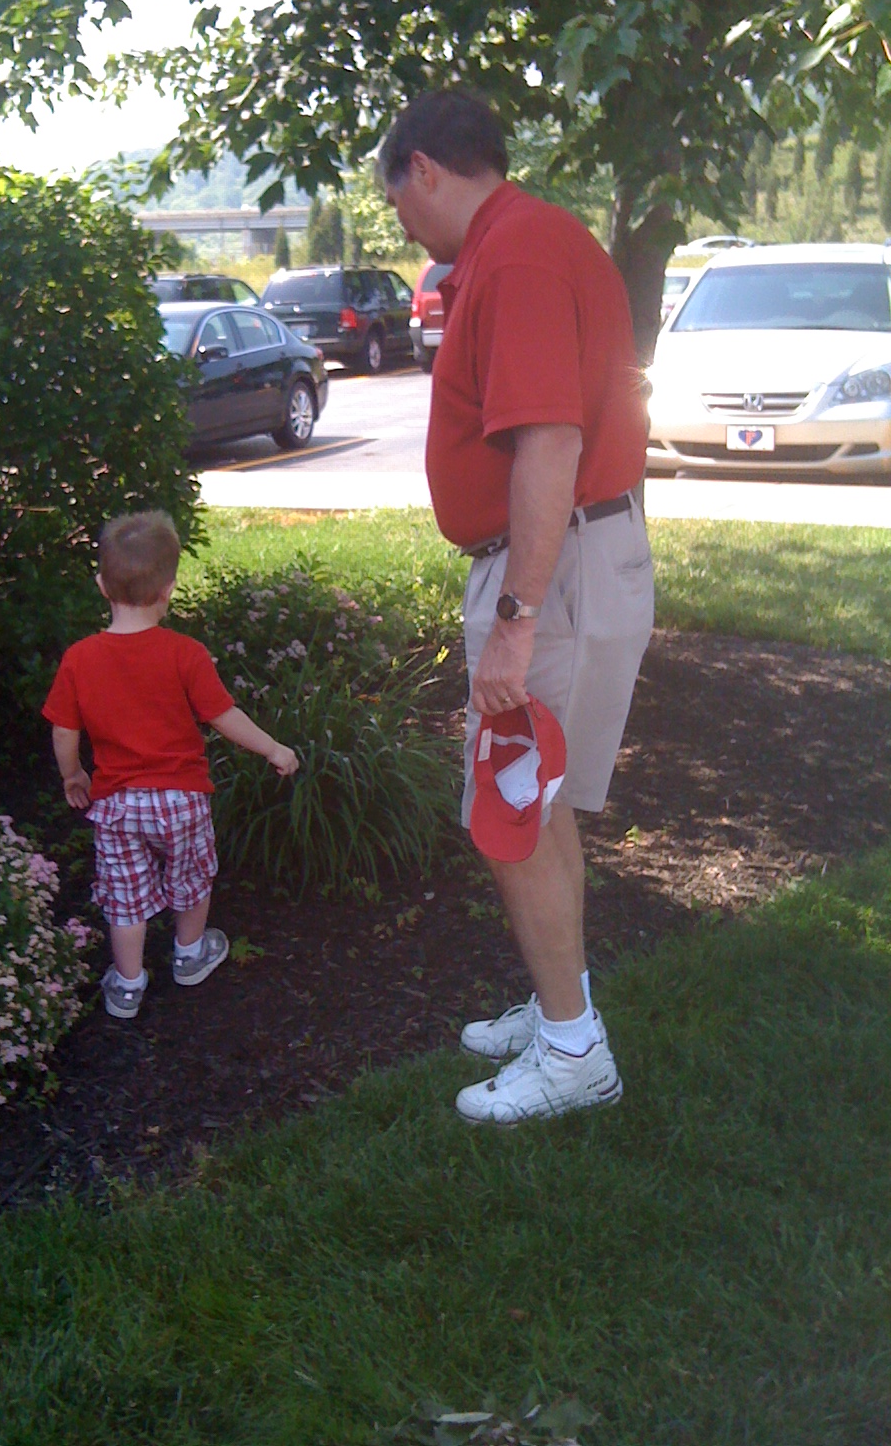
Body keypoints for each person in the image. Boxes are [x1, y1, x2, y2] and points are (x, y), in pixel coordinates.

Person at [379, 89, 654, 1125]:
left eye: (397, 200)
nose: (404, 223)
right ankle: (557, 1006)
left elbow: (549, 441)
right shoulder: (531, 238)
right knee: (543, 802)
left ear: (424, 169)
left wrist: (517, 616)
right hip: (577, 556)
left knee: (515, 811)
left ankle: (575, 1054)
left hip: (551, 567)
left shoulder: (518, 254)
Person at [42, 510, 298, 1020]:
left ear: (101, 586)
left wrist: (73, 775)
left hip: (117, 805)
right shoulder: (185, 653)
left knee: (125, 897)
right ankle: (189, 954)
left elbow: (64, 730)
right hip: (181, 800)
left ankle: (128, 984)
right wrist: (273, 748)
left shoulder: (80, 658)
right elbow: (223, 715)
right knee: (191, 877)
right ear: (169, 590)